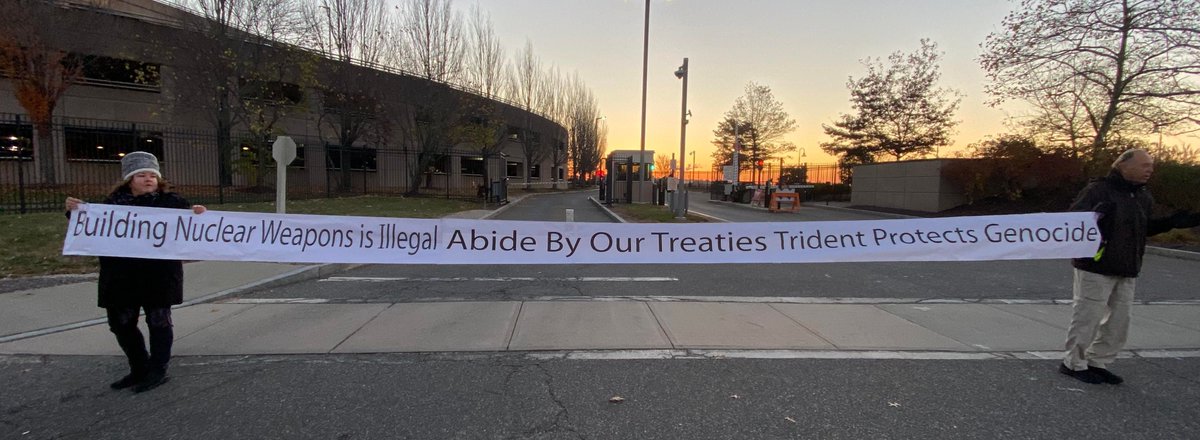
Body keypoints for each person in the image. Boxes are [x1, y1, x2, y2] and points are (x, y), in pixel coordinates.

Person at [64, 151, 206, 393]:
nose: (148, 179)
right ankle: (139, 367)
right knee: (121, 323)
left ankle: (158, 370)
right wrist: (74, 213)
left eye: (152, 174)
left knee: (159, 321)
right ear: (129, 179)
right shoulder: (111, 205)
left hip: (158, 275)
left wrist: (199, 216)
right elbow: (93, 228)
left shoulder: (172, 203)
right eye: (141, 174)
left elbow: (189, 230)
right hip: (121, 275)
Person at [1060, 149, 1200, 385]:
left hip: (1127, 266)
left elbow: (1144, 229)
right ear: (1123, 165)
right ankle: (1073, 363)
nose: (1150, 170)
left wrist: (1171, 223)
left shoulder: (1143, 196)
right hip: (1096, 265)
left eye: (1151, 166)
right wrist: (1096, 217)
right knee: (1088, 316)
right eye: (1145, 165)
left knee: (1119, 321)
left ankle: (1098, 361)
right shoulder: (1099, 190)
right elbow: (1073, 222)